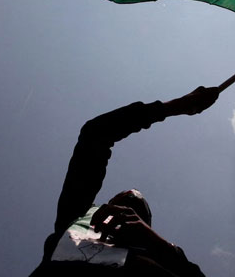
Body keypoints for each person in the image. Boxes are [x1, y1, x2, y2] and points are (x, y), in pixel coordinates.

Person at [30, 86, 219, 277]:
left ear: (143, 227)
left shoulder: (157, 259)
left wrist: (156, 243)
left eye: (134, 214)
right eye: (121, 206)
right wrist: (175, 106)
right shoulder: (76, 218)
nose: (130, 200)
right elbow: (95, 134)